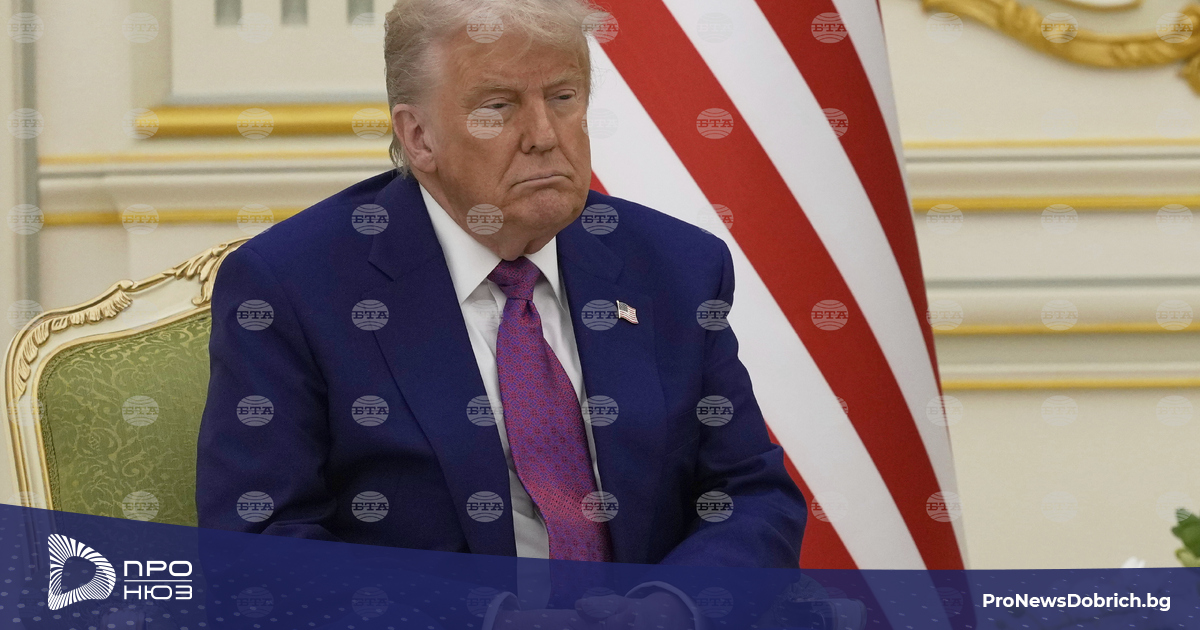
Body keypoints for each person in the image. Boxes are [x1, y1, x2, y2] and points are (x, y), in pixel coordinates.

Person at [197, 0, 804, 583]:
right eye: (498, 107)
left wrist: (669, 607)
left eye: (563, 97)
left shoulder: (674, 266)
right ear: (419, 137)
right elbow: (261, 538)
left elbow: (749, 492)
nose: (544, 134)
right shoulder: (295, 287)